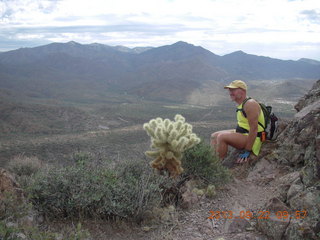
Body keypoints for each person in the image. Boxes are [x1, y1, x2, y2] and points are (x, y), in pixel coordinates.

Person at [210, 80, 265, 164]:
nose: (230, 93)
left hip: (254, 138)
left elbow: (254, 129)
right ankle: (212, 162)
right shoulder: (242, 104)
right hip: (243, 133)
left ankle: (217, 166)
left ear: (243, 91)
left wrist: (247, 150)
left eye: (233, 90)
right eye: (229, 90)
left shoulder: (250, 104)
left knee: (222, 137)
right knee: (214, 136)